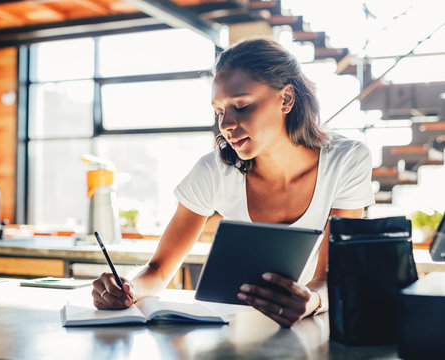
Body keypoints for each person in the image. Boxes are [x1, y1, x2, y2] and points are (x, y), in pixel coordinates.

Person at [92, 37, 375, 328]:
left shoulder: (346, 161)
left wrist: (311, 300)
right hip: (240, 329)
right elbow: (158, 269)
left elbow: (330, 275)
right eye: (219, 111)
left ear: (286, 99)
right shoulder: (214, 170)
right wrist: (127, 288)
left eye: (241, 105)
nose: (226, 124)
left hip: (317, 325)